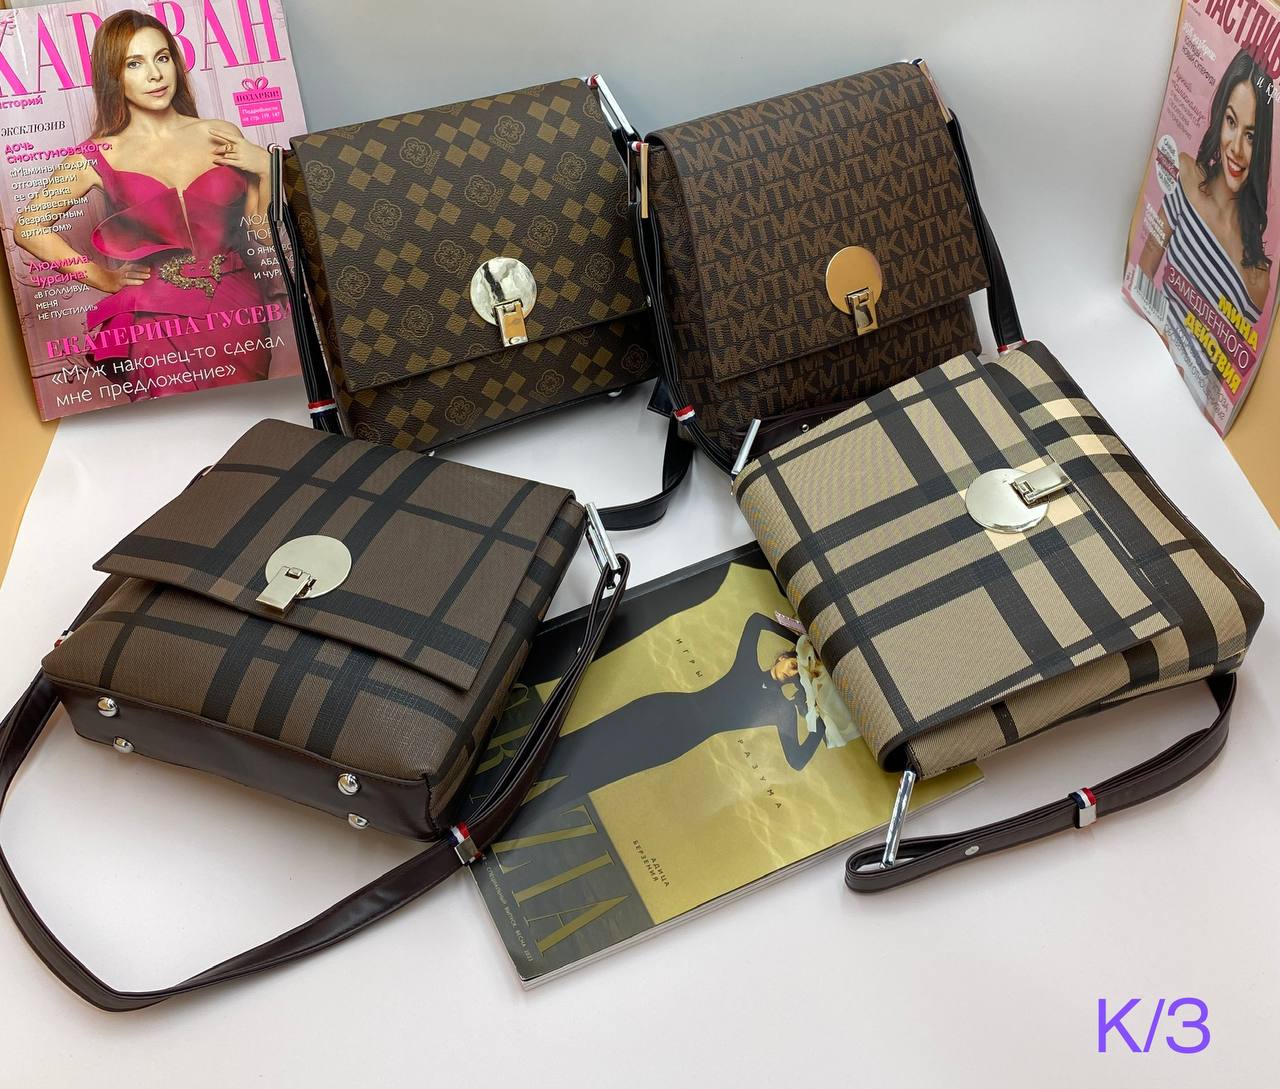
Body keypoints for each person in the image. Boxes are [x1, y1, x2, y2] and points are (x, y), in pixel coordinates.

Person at [14, 10, 274, 400]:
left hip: (238, 309)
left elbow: (263, 236)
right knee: (174, 425)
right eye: (134, 63)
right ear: (113, 76)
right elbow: (29, 227)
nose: (155, 74)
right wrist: (103, 278)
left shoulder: (219, 133)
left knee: (248, 417)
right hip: (154, 318)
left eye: (162, 57)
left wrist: (267, 169)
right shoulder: (97, 154)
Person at [514, 611, 826, 825]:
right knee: (573, 746)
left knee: (593, 776)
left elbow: (797, 760)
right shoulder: (747, 666)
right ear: (783, 657)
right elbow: (756, 620)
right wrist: (801, 638)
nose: (792, 672)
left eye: (798, 674)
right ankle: (506, 777)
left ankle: (513, 821)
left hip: (676, 740)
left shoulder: (781, 710)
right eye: (793, 664)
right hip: (661, 709)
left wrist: (819, 724)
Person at [1140, 48, 1273, 358]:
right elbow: (1143, 273)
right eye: (1231, 122)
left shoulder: (1257, 277)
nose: (1236, 148)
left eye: (1250, 136)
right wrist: (1159, 342)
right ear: (1220, 118)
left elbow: (1223, 370)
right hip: (1144, 349)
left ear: (1261, 146)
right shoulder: (1185, 176)